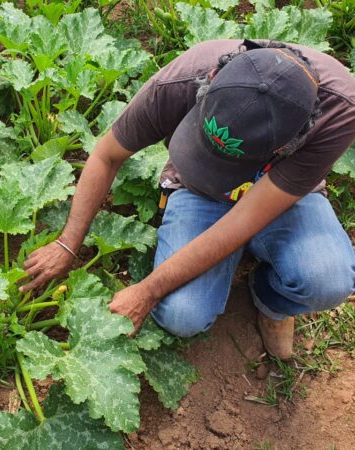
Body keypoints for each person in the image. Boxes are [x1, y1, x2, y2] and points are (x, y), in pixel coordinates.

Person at [20, 39, 355, 360]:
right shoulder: (183, 77)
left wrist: (147, 290)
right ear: (210, 81)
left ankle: (272, 302)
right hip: (199, 188)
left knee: (328, 279)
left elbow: (242, 222)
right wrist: (67, 243)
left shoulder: (340, 110)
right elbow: (106, 155)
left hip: (280, 195)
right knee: (182, 316)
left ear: (288, 145)